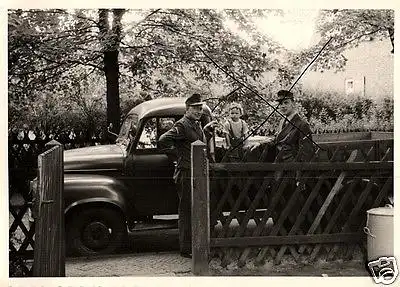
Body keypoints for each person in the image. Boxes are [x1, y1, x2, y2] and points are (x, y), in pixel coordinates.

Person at [158, 93, 218, 258]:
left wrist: (207, 132)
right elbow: (163, 140)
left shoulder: (196, 124)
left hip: (196, 173)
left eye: (200, 108)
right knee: (186, 211)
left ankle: (197, 245)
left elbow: (199, 142)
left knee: (197, 209)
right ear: (187, 109)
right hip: (185, 173)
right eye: (195, 108)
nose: (199, 111)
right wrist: (178, 156)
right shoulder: (182, 125)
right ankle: (186, 249)